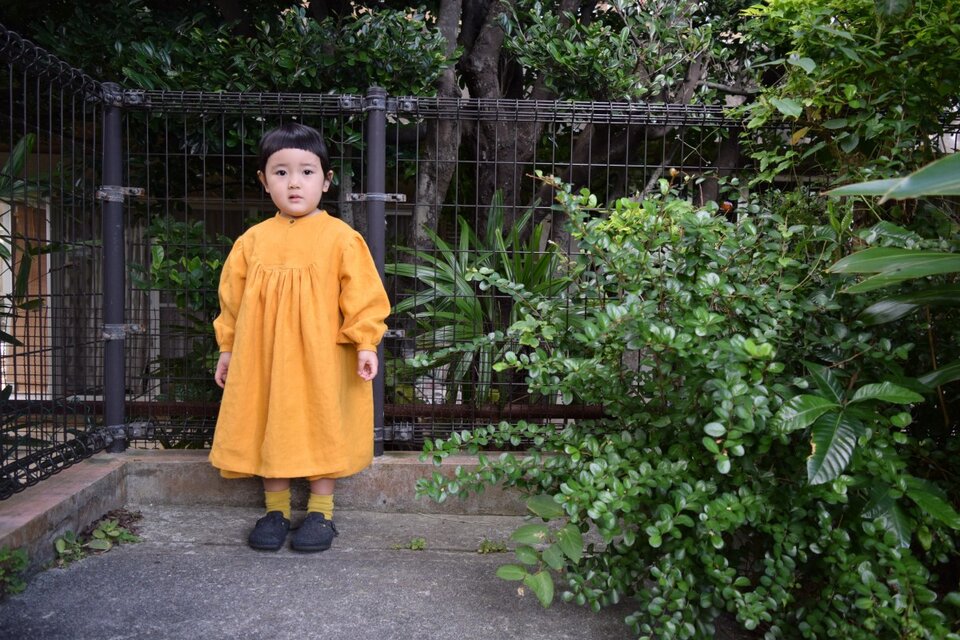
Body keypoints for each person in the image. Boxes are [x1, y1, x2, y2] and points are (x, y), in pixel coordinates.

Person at [209, 122, 390, 552]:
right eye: (281, 172)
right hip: (264, 358)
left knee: (321, 419)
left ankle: (321, 513)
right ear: (264, 180)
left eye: (307, 172)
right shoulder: (252, 241)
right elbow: (231, 302)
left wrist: (366, 343)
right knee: (268, 419)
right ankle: (275, 511)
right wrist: (227, 349)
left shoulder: (341, 238)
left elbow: (364, 296)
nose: (294, 182)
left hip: (322, 358)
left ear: (326, 181)